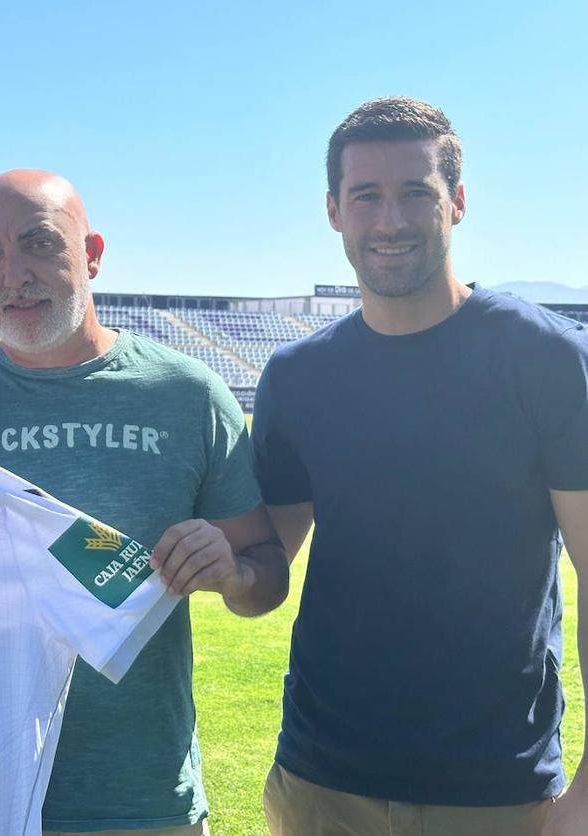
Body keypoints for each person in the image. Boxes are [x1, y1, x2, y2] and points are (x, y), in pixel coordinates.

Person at [0, 169, 289, 834]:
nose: (13, 275)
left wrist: (231, 569)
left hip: (138, 798)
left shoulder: (186, 395)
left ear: (92, 253)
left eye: (39, 244)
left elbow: (266, 577)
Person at [252, 96, 588, 835]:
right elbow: (264, 565)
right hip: (321, 780)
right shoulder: (297, 375)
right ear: (333, 209)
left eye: (415, 193)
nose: (390, 221)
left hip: (496, 784)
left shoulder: (545, 360)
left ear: (456, 203)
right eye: (365, 196)